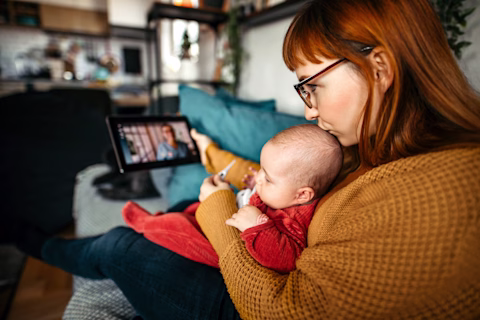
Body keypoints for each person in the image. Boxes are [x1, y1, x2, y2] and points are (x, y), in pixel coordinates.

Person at [3, 0, 480, 318]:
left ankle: (40, 247)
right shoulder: (369, 146)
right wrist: (206, 149)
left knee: (119, 247)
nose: (310, 110)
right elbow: (266, 172)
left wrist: (220, 211)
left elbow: (282, 310)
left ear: (380, 67)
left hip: (258, 300)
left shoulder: (444, 192)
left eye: (312, 86)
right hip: (255, 256)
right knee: (167, 217)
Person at [123, 124, 343, 273]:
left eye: (268, 178)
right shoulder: (285, 195)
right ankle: (166, 218)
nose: (259, 177)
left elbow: (286, 258)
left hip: (220, 248)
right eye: (262, 170)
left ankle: (146, 223)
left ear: (302, 194)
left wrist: (258, 226)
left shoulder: (295, 219)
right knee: (189, 208)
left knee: (179, 228)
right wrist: (256, 186)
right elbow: (266, 188)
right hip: (231, 213)